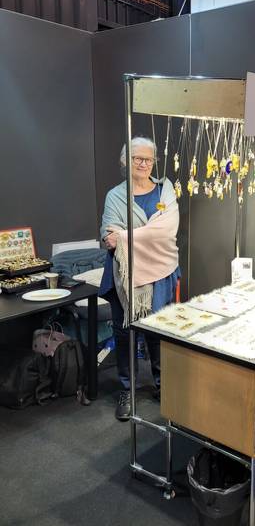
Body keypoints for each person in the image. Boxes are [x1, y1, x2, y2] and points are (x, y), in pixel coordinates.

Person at [99, 136, 180, 421]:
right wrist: (143, 236)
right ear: (125, 161)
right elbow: (109, 238)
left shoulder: (165, 190)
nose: (144, 164)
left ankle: (163, 385)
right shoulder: (115, 196)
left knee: (159, 331)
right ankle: (127, 390)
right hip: (125, 277)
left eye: (149, 159)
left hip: (162, 272)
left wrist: (126, 236)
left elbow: (167, 231)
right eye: (137, 158)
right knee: (125, 334)